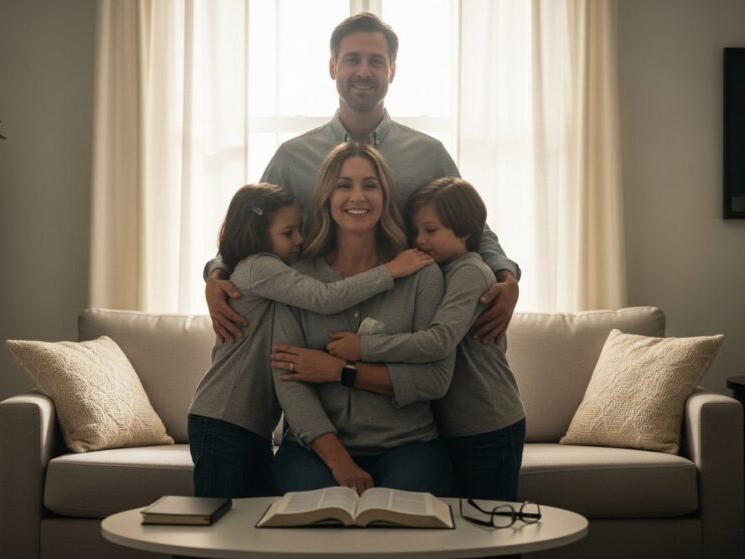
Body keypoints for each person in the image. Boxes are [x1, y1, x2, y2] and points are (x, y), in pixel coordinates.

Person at [206, 12, 520, 346]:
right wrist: (216, 275)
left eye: (376, 61)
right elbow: (253, 226)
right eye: (352, 59)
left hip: (404, 320)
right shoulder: (291, 157)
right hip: (315, 325)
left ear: (392, 71)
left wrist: (507, 277)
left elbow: (472, 226)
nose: (363, 72)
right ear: (332, 68)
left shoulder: (428, 154)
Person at [187, 182, 433, 498]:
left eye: (300, 230)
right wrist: (391, 270)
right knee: (216, 518)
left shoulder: (275, 273)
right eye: (289, 233)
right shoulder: (259, 267)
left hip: (252, 424)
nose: (300, 241)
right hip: (222, 418)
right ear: (256, 233)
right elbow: (324, 297)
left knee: (249, 518)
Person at [269, 142, 455, 496]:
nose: (358, 196)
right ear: (325, 195)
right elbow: (288, 379)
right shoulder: (297, 277)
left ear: (385, 196)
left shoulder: (421, 274)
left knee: (402, 518)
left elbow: (435, 379)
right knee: (309, 511)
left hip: (408, 444)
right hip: (314, 449)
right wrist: (339, 461)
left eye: (370, 185)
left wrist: (341, 371)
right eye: (344, 185)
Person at [325, 177, 526, 500]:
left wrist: (362, 347)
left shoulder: (469, 272)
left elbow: (438, 341)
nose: (420, 240)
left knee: (491, 523)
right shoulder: (437, 271)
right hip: (451, 425)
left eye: (430, 231)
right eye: (415, 231)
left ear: (465, 230)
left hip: (487, 422)